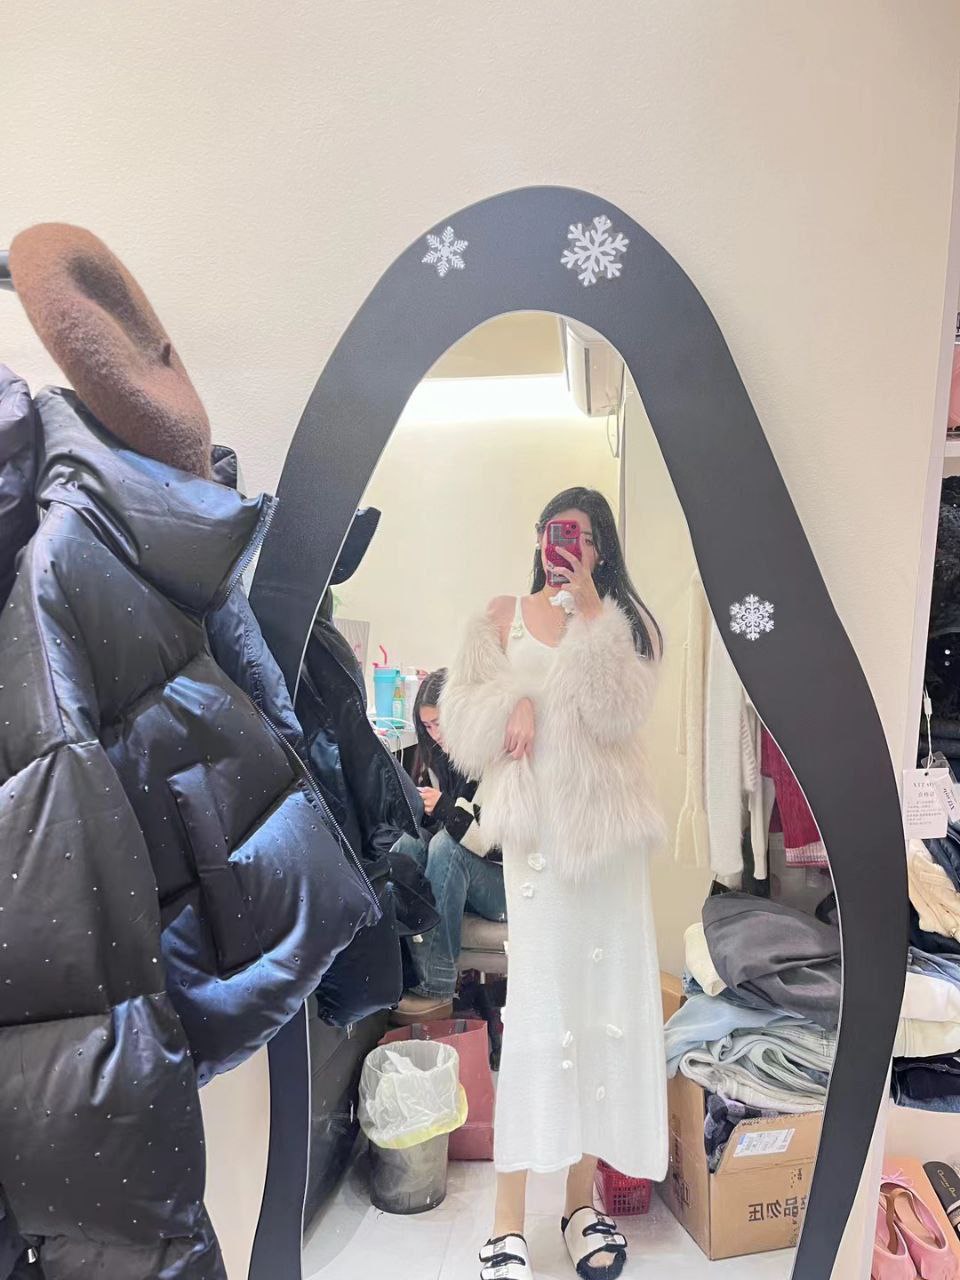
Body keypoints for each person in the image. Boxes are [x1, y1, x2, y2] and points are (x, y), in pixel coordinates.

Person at [441, 488, 666, 1280]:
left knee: (599, 1019)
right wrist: (518, 704)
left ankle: (579, 1206)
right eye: (552, 530)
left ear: (600, 547)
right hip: (536, 854)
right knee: (539, 1021)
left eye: (579, 535)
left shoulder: (623, 624)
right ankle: (507, 1222)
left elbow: (617, 715)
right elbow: (458, 721)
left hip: (607, 854)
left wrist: (593, 611)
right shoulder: (500, 617)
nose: (561, 544)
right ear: (538, 537)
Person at [391, 668, 507, 1024]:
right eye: (427, 726)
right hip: (469, 877)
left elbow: (498, 846)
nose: (435, 735)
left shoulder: (497, 756)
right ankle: (404, 973)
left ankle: (437, 987)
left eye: (440, 723)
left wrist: (444, 809)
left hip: (508, 885)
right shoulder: (440, 759)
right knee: (408, 845)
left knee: (445, 848)